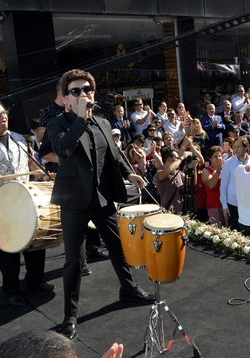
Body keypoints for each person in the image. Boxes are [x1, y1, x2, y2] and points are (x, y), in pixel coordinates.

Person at [48, 69, 155, 341]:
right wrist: (80, 120)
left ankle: (128, 288)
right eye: (76, 91)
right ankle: (70, 316)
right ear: (66, 99)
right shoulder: (59, 124)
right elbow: (63, 149)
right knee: (75, 259)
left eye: (87, 90)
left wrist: (128, 172)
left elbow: (115, 154)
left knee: (117, 245)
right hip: (74, 201)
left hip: (102, 197)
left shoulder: (103, 123)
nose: (83, 94)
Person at [0, 100, 53, 307]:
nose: (3, 116)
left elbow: (30, 163)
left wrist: (43, 175)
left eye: (3, 113)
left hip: (24, 201)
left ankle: (34, 281)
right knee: (6, 251)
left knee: (35, 242)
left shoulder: (18, 138)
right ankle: (11, 290)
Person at [220, 135, 250, 230]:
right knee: (235, 233)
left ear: (246, 147)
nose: (236, 149)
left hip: (248, 203)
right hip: (233, 204)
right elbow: (223, 186)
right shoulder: (228, 163)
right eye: (234, 146)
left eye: (239, 146)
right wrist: (224, 206)